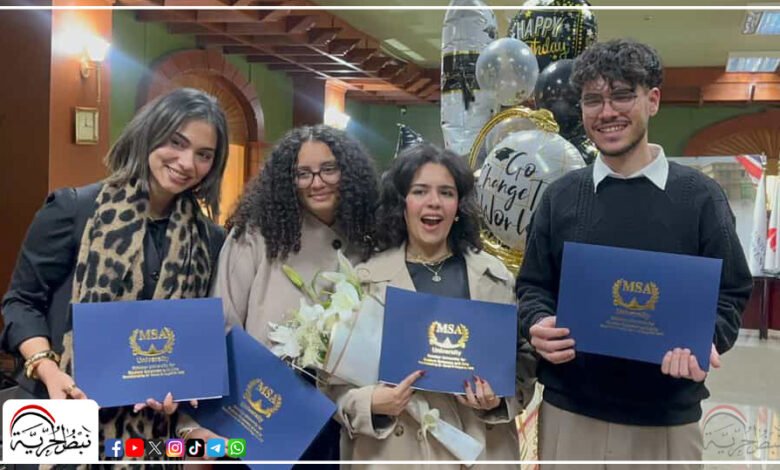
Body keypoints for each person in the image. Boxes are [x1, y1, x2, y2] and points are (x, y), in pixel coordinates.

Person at [515, 38, 753, 466]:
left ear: (653, 100)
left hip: (666, 420)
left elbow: (731, 292)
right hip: (570, 413)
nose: (607, 112)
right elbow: (533, 285)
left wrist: (705, 339)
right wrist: (537, 321)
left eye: (622, 95)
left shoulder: (701, 197)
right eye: (593, 100)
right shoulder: (560, 196)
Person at [1, 87, 229, 463]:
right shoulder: (74, 210)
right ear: (150, 133)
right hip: (60, 410)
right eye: (176, 142)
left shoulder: (209, 240)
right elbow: (21, 301)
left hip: (151, 435)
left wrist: (178, 387)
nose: (187, 162)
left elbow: (191, 340)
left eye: (204, 155)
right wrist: (48, 369)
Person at [327, 144, 536, 468]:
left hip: (480, 451)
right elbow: (331, 386)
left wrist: (498, 400)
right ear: (402, 203)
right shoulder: (362, 281)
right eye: (420, 191)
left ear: (459, 206)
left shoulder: (495, 277)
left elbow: (523, 362)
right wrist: (371, 403)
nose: (434, 202)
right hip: (394, 454)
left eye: (446, 192)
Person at [210, 124, 379, 464]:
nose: (317, 182)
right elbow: (222, 323)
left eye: (329, 169)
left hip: (341, 417)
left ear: (348, 173)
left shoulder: (371, 237)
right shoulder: (255, 235)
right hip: (262, 410)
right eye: (303, 173)